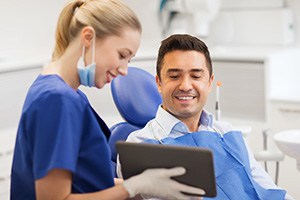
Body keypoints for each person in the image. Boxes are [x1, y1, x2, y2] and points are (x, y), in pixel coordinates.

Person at [10, 1, 205, 200]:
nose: (124, 70)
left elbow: (85, 181)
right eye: (122, 55)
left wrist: (147, 187)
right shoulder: (57, 99)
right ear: (88, 38)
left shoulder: (67, 93)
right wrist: (131, 187)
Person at [117, 34, 294, 200]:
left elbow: (267, 189)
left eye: (195, 75)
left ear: (209, 82)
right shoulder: (140, 145)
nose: (186, 85)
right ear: (159, 83)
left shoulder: (228, 133)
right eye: (174, 76)